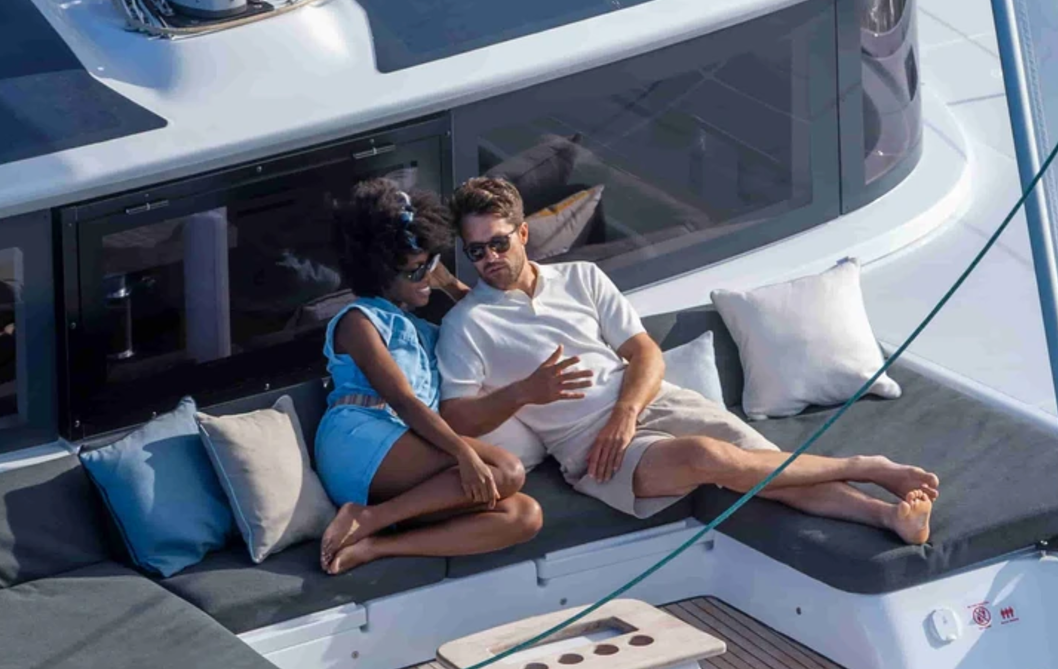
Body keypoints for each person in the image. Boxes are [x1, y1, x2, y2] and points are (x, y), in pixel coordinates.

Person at [433, 177, 937, 544]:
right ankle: (866, 465)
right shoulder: (467, 325)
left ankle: (885, 517)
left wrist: (624, 414)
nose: (490, 258)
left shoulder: (581, 278)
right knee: (712, 459)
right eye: (476, 252)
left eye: (498, 243)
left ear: (523, 234)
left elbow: (643, 351)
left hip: (648, 403)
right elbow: (456, 417)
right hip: (589, 449)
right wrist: (523, 393)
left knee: (763, 466)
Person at [314, 181, 578, 574]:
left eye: (430, 261)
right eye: (414, 269)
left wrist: (447, 281)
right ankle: (367, 517)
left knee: (523, 515)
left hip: (406, 453)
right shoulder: (359, 320)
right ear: (380, 272)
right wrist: (463, 453)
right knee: (506, 471)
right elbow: (403, 400)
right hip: (360, 437)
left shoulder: (425, 330)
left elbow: (483, 311)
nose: (425, 275)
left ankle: (377, 544)